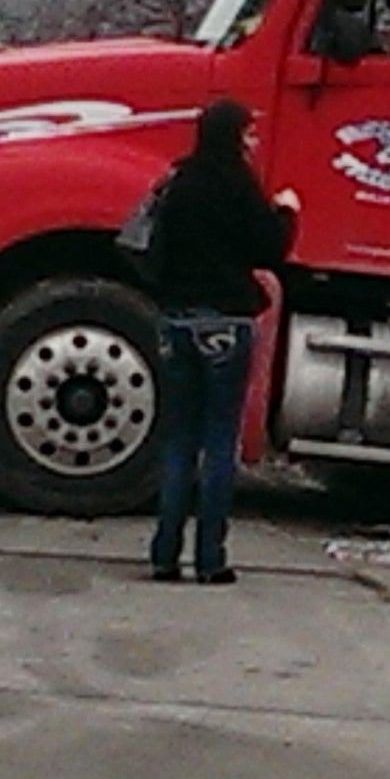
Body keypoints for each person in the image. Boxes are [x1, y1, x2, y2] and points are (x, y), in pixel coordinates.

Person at [145, 98, 298, 585]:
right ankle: (210, 559)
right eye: (248, 134)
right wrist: (286, 213)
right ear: (233, 135)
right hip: (226, 326)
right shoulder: (238, 186)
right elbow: (268, 249)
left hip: (175, 322)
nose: (252, 142)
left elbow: (153, 244)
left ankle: (164, 553)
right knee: (218, 440)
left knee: (178, 441)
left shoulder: (178, 182)